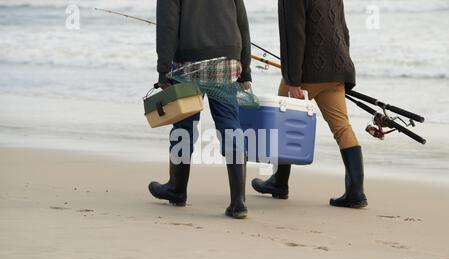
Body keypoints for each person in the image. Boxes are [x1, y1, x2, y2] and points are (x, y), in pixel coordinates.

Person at [252, 0, 368, 208]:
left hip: (308, 74)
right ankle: (356, 192)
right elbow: (343, 29)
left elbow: (293, 35)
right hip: (337, 68)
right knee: (342, 127)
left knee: (280, 121)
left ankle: (279, 182)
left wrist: (293, 80)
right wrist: (343, 69)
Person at [149, 0, 252, 219]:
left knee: (184, 125)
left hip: (189, 60)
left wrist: (163, 70)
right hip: (228, 58)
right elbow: (242, 20)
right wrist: (246, 69)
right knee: (230, 125)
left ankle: (177, 189)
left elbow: (168, 24)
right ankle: (238, 202)